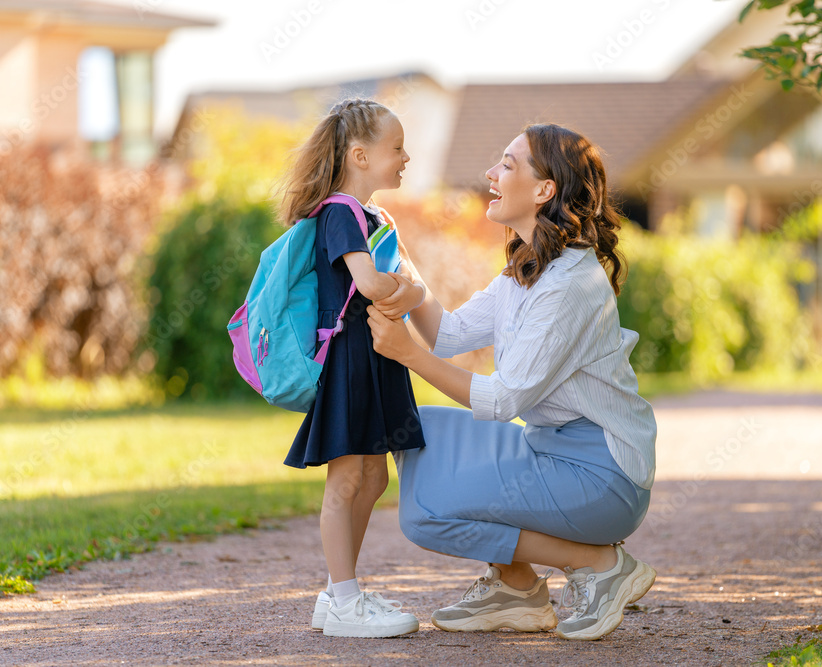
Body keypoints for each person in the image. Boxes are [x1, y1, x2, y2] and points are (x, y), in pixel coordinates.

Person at [367, 123, 658, 641]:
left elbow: (501, 400)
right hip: (552, 451)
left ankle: (599, 565)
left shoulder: (570, 284)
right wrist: (408, 280)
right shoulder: (529, 267)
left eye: (506, 164)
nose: (490, 174)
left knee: (425, 517)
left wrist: (406, 355)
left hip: (603, 477)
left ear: (545, 190)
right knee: (415, 431)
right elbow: (449, 333)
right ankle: (516, 586)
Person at [279, 98, 428, 638]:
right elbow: (370, 284)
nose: (406, 156)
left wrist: (407, 290)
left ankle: (338, 591)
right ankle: (344, 599)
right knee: (347, 479)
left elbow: (403, 286)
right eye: (397, 147)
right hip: (350, 359)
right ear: (361, 155)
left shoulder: (371, 216)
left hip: (375, 355)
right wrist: (406, 290)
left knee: (373, 474)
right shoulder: (339, 211)